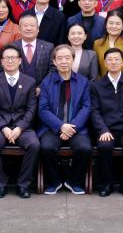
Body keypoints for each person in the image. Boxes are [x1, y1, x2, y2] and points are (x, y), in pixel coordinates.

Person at [0, 45, 39, 198]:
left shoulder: (30, 81)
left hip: (23, 126)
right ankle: (0, 184)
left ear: (20, 60)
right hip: (0, 126)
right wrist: (3, 127)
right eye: (6, 58)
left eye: (13, 57)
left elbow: (31, 110)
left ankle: (23, 185)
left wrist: (20, 128)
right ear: (1, 61)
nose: (10, 60)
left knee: (34, 145)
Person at [37, 45, 92, 195]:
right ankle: (54, 181)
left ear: (73, 60)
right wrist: (61, 126)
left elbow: (86, 107)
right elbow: (43, 109)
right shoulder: (47, 82)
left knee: (84, 148)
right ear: (54, 62)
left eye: (67, 57)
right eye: (59, 58)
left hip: (76, 128)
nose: (63, 61)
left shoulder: (83, 82)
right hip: (52, 128)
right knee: (46, 147)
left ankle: (74, 181)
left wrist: (71, 128)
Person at [89, 47, 123, 197]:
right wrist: (102, 130)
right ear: (105, 63)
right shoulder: (96, 85)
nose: (113, 62)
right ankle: (107, 183)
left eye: (117, 59)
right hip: (106, 129)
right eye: (110, 60)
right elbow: (95, 111)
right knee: (104, 146)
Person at [13, 14, 54, 85]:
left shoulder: (49, 47)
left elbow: (53, 69)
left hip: (43, 90)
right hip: (18, 89)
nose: (29, 28)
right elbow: (5, 70)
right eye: (25, 25)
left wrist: (42, 87)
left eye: (32, 26)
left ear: (38, 29)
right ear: (19, 29)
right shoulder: (11, 47)